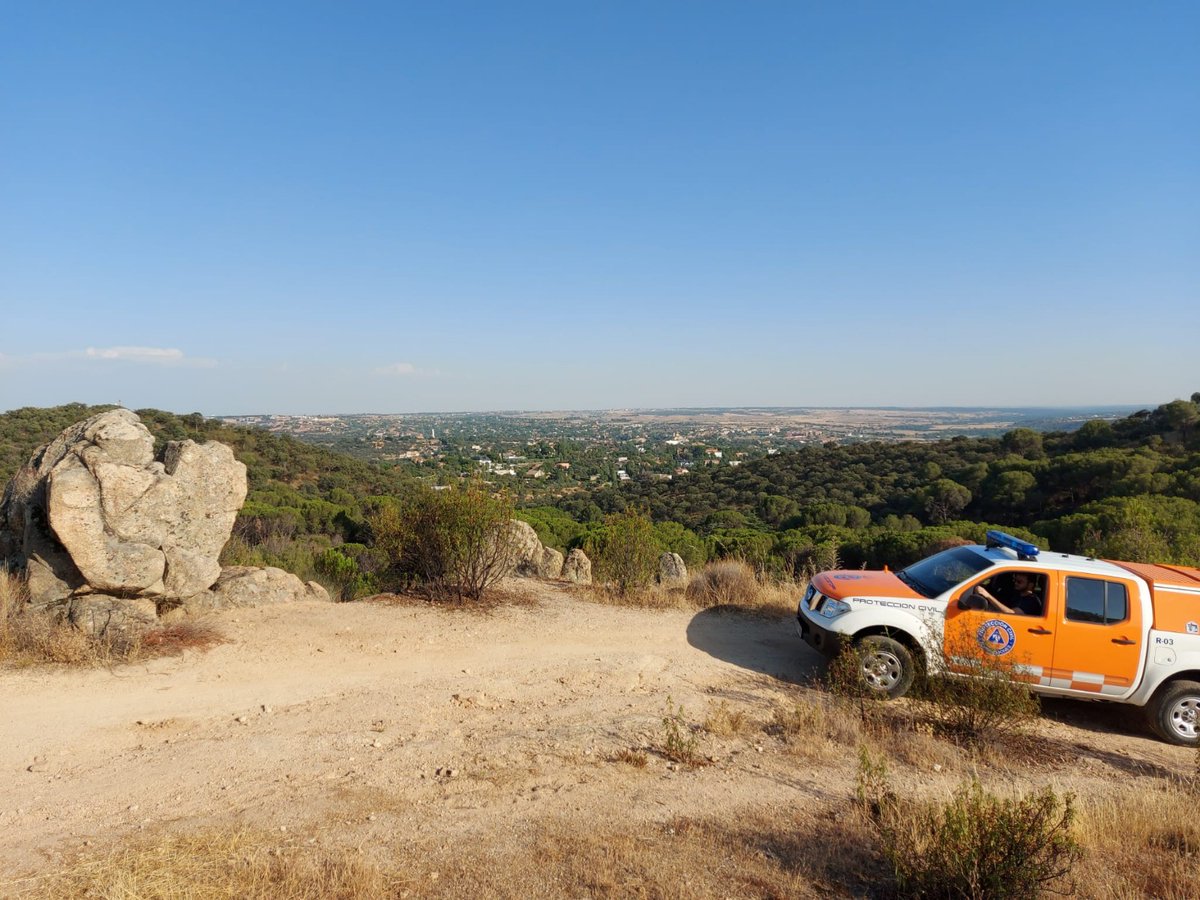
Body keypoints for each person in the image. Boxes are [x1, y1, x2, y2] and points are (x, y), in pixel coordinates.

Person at [974, 572, 1042, 616]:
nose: (1015, 583)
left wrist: (988, 595)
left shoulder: (1032, 601)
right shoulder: (1016, 594)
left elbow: (1012, 613)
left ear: (1030, 585)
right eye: (1015, 580)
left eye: (1019, 582)